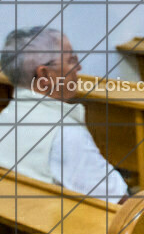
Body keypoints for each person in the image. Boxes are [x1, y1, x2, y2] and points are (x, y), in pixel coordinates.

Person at [0, 27, 129, 202]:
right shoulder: (64, 134)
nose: (78, 67)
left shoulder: (6, 117)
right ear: (44, 74)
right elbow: (119, 203)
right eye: (71, 60)